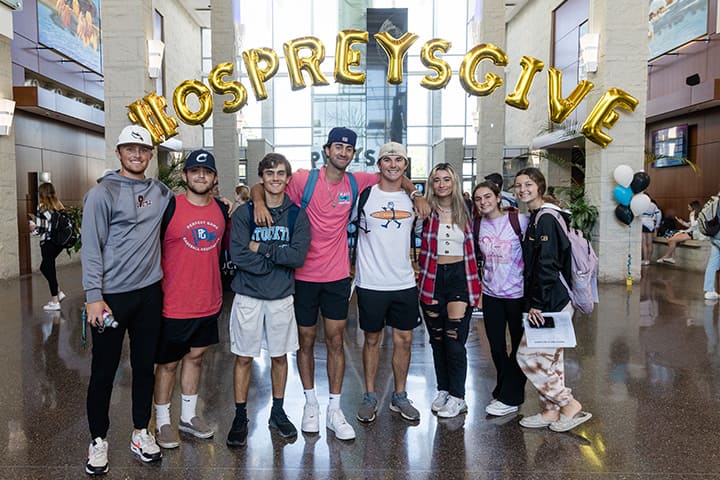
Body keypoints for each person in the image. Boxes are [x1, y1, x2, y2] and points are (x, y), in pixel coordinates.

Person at [251, 127, 429, 440]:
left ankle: (334, 407)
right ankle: (310, 403)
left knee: (335, 341)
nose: (343, 153)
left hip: (336, 277)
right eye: (338, 147)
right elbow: (264, 184)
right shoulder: (305, 179)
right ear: (327, 149)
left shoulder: (356, 181)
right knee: (305, 341)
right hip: (303, 276)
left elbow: (394, 173)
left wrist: (415, 193)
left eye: (349, 149)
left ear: (353, 154)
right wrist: (259, 204)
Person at [81, 125, 172, 475]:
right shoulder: (102, 194)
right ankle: (98, 439)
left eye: (143, 149)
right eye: (130, 148)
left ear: (150, 155)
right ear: (119, 152)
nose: (137, 154)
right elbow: (91, 248)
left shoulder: (161, 192)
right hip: (110, 298)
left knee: (144, 367)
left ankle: (139, 432)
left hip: (149, 293)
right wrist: (93, 297)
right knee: (103, 371)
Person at [226, 153, 310, 447]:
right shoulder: (245, 214)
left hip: (280, 297)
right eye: (270, 173)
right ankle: (240, 415)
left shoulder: (297, 215)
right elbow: (237, 253)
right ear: (261, 178)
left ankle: (277, 410)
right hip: (248, 295)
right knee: (244, 357)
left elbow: (297, 257)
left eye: (281, 173)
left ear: (288, 179)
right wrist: (273, 263)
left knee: (279, 356)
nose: (275, 178)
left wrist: (261, 248)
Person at [153, 150, 227, 450]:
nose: (201, 176)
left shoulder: (222, 211)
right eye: (195, 171)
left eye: (207, 172)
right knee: (168, 364)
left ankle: (187, 416)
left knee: (196, 359)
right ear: (184, 176)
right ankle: (162, 421)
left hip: (208, 302)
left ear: (214, 178)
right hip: (174, 303)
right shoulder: (168, 208)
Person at [513, 167, 592, 432]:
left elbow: (547, 264)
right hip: (551, 299)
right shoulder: (538, 216)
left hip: (550, 301)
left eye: (528, 184)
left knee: (527, 356)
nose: (523, 189)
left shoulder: (546, 218)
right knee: (552, 360)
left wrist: (537, 302)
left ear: (540, 186)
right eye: (518, 185)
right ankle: (550, 412)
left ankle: (568, 404)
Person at [354, 142, 421, 424]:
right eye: (387, 160)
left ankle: (400, 395)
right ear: (379, 165)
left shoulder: (414, 201)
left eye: (399, 160)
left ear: (406, 165)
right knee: (372, 340)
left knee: (404, 340)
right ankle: (370, 395)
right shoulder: (365, 196)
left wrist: (416, 192)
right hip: (370, 282)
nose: (393, 165)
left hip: (403, 282)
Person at [418, 163, 481, 418]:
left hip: (460, 279)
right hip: (432, 280)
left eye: (447, 179)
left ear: (454, 183)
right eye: (436, 180)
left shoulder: (468, 211)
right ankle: (443, 389)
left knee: (455, 341)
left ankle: (458, 396)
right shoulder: (425, 212)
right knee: (437, 341)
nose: (442, 184)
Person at [471, 180, 528, 417]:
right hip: (491, 294)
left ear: (497, 197)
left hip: (517, 294)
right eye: (478, 199)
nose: (483, 202)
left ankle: (511, 395)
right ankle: (506, 389)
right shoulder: (477, 225)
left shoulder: (518, 221)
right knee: (495, 346)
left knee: (518, 347)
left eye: (487, 197)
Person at [28, 182, 68, 311]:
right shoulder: (58, 204)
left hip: (48, 243)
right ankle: (58, 292)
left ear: (42, 193)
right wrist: (37, 228)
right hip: (58, 243)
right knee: (44, 267)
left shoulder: (42, 206)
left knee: (49, 269)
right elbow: (54, 224)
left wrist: (34, 225)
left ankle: (55, 301)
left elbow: (48, 225)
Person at [657, 200, 701, 264]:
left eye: (689, 207)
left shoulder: (693, 213)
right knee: (671, 239)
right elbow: (691, 225)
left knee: (671, 239)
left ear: (693, 207)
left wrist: (691, 216)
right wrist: (682, 222)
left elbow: (693, 226)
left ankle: (668, 256)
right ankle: (671, 257)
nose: (688, 208)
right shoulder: (696, 214)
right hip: (692, 232)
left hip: (694, 233)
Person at [640, 197, 662, 266]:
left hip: (643, 222)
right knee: (650, 243)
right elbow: (659, 214)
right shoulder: (653, 205)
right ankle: (649, 260)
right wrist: (657, 225)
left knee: (644, 243)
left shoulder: (642, 204)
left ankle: (645, 259)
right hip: (651, 223)